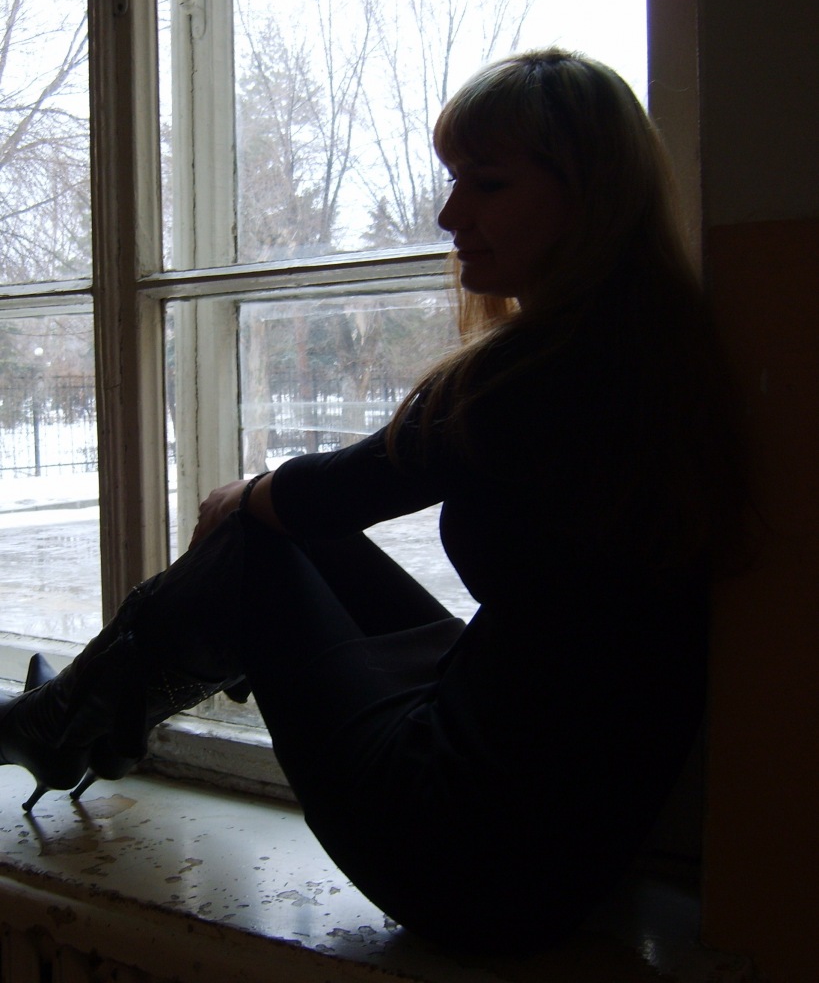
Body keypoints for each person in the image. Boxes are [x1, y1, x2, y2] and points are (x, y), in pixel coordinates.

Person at [0, 48, 745, 954]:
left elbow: (331, 492)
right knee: (283, 536)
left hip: (463, 853)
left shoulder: (538, 375)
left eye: (487, 183)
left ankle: (61, 724)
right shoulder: (659, 349)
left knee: (253, 541)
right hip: (568, 855)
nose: (450, 215)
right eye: (454, 180)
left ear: (590, 196)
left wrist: (242, 496)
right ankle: (80, 720)